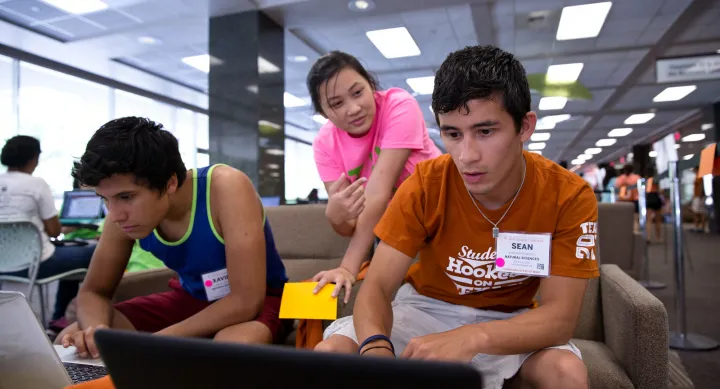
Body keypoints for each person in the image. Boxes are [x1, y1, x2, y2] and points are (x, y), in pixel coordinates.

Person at [314, 45, 599, 389]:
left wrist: (472, 337)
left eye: (485, 131)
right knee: (331, 352)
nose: (467, 156)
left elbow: (559, 319)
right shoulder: (425, 184)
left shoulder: (569, 195)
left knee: (567, 373)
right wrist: (376, 350)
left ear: (525, 127)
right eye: (452, 134)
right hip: (424, 311)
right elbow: (376, 287)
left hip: (513, 320)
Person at [55, 117, 290, 359]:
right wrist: (96, 331)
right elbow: (94, 291)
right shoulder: (121, 213)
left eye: (126, 197)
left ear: (170, 183)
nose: (114, 215)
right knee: (73, 341)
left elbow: (246, 301)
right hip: (192, 299)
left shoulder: (226, 186)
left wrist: (156, 342)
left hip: (262, 301)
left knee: (232, 346)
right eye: (105, 199)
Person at [308, 51, 442, 302]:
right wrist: (336, 217)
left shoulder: (398, 105)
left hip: (441, 215)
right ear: (324, 113)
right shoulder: (324, 144)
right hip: (395, 230)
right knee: (386, 298)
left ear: (370, 85)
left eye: (357, 92)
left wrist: (348, 267)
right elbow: (352, 223)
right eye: (336, 104)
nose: (354, 108)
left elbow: (378, 194)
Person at [0, 135, 95, 330]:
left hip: (3, 263)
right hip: (36, 263)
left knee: (69, 257)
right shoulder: (36, 184)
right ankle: (64, 318)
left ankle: (60, 317)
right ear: (34, 158)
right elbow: (53, 231)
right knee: (95, 251)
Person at [691, 166, 708, 233]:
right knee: (697, 212)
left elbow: (701, 185)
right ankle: (697, 226)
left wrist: (700, 194)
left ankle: (701, 227)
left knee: (700, 212)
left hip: (699, 196)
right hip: (697, 196)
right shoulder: (697, 175)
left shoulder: (700, 175)